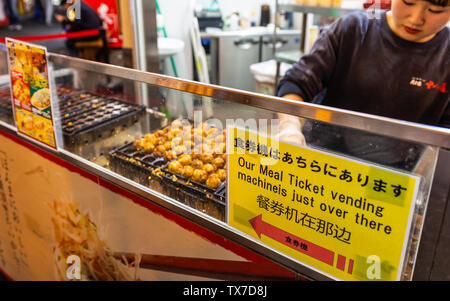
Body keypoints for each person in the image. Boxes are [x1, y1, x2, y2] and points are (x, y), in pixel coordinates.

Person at [276, 0, 449, 169]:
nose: (416, 19)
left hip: (396, 175)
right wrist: (289, 128)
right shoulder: (353, 28)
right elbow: (297, 82)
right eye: (408, 2)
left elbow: (444, 133)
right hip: (322, 161)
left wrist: (424, 173)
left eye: (435, 10)